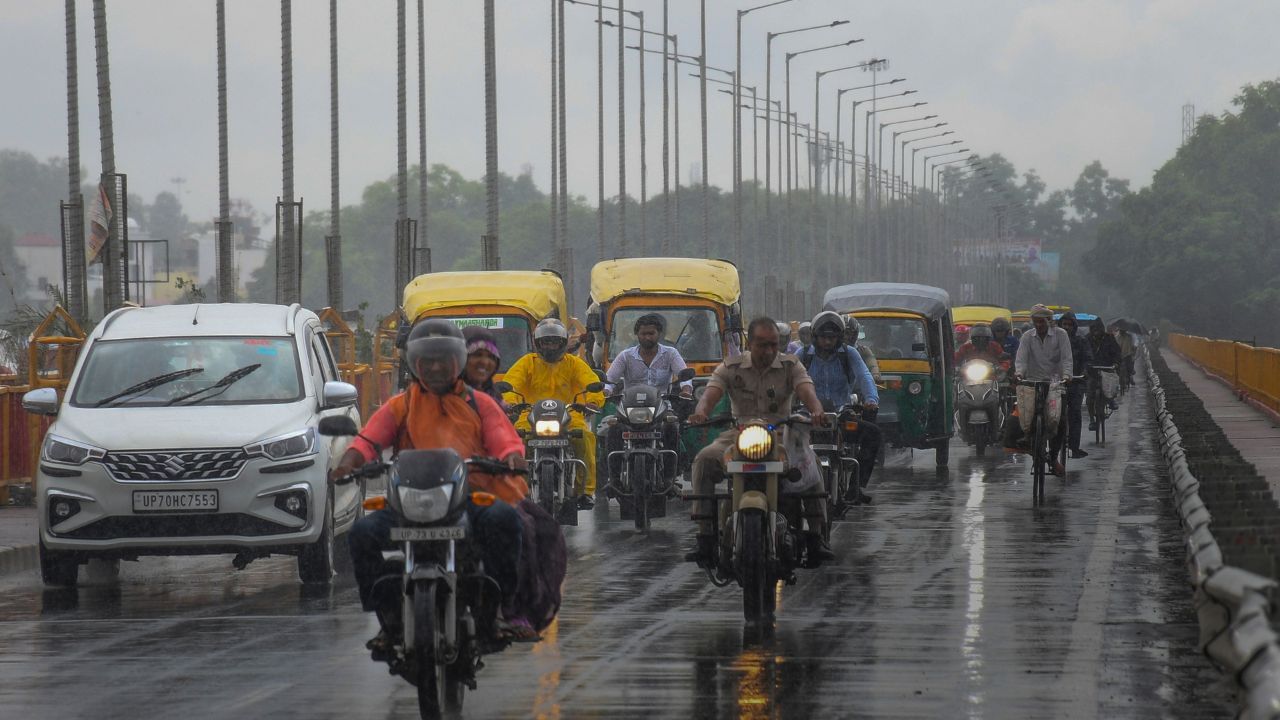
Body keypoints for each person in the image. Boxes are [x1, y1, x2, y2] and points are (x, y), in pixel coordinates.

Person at [335, 319, 534, 647]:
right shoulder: (402, 404)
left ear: (458, 362)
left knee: (506, 521)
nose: (436, 367)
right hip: (408, 501)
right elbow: (369, 441)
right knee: (361, 534)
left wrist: (512, 457)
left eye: (444, 360)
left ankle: (496, 610)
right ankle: (388, 616)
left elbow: (503, 438)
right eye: (428, 360)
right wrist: (349, 462)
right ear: (415, 363)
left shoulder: (479, 403)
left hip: (467, 496)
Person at [685, 317, 833, 568]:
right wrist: (701, 412)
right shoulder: (731, 367)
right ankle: (705, 536)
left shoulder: (790, 365)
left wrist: (817, 411)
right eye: (762, 345)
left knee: (811, 465)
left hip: (780, 434)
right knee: (704, 459)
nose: (769, 351)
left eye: (774, 345)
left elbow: (807, 390)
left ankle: (816, 537)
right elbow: (711, 393)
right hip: (738, 434)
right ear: (749, 343)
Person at [503, 319, 604, 510]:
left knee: (585, 437)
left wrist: (592, 401)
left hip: (569, 414)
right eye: (546, 342)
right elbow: (511, 383)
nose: (550, 346)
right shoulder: (527, 363)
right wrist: (509, 402)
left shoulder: (575, 364)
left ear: (563, 343)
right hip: (529, 415)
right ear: (538, 343)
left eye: (554, 342)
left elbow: (590, 383)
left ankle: (585, 491)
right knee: (515, 440)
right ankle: (517, 489)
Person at [799, 311, 882, 504]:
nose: (827, 342)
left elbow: (864, 376)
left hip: (840, 414)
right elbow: (786, 377)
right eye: (823, 337)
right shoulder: (802, 355)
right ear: (814, 336)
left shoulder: (849, 354)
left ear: (839, 338)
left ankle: (856, 487)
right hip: (807, 416)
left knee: (873, 434)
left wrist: (871, 399)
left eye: (832, 337)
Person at [603, 313, 693, 487]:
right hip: (629, 409)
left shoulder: (670, 353)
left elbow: (684, 375)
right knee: (613, 430)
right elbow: (610, 379)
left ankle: (669, 477)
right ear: (637, 335)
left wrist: (687, 389)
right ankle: (613, 479)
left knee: (671, 428)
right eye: (643, 334)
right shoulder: (625, 356)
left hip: (661, 407)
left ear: (659, 334)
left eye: (651, 333)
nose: (647, 337)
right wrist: (606, 392)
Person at [1013, 304, 1073, 475]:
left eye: (1042, 322)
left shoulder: (1061, 335)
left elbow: (1067, 358)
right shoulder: (1027, 337)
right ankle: (1035, 452)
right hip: (1033, 382)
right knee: (1025, 418)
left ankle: (1053, 458)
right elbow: (1021, 359)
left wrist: (1067, 375)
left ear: (1048, 321)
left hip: (1055, 383)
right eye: (1036, 322)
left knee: (1060, 421)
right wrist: (1019, 374)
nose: (1039, 325)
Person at [1057, 312, 1092, 459]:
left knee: (1075, 413)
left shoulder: (1081, 341)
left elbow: (1087, 359)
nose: (1066, 327)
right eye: (1064, 324)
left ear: (1074, 326)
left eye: (1069, 325)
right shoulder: (1054, 341)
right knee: (1052, 413)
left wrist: (1084, 371)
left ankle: (1074, 447)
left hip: (1076, 381)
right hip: (1056, 382)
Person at [1086, 318, 1122, 427]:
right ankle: (1092, 419)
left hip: (1107, 369)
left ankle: (1111, 400)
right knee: (1090, 396)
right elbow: (1083, 354)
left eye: (1098, 330)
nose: (1096, 332)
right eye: (1094, 330)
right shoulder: (1087, 339)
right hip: (1092, 370)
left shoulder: (1109, 338)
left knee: (1110, 387)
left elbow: (1117, 352)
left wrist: (1115, 363)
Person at [462, 325, 504, 404]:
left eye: (491, 357)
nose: (485, 362)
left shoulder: (496, 399)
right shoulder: (447, 398)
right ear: (461, 357)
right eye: (477, 355)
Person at [845, 316, 881, 384]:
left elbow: (872, 364)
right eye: (845, 333)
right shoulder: (831, 350)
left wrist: (875, 374)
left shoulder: (863, 350)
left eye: (851, 333)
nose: (848, 337)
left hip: (859, 390)